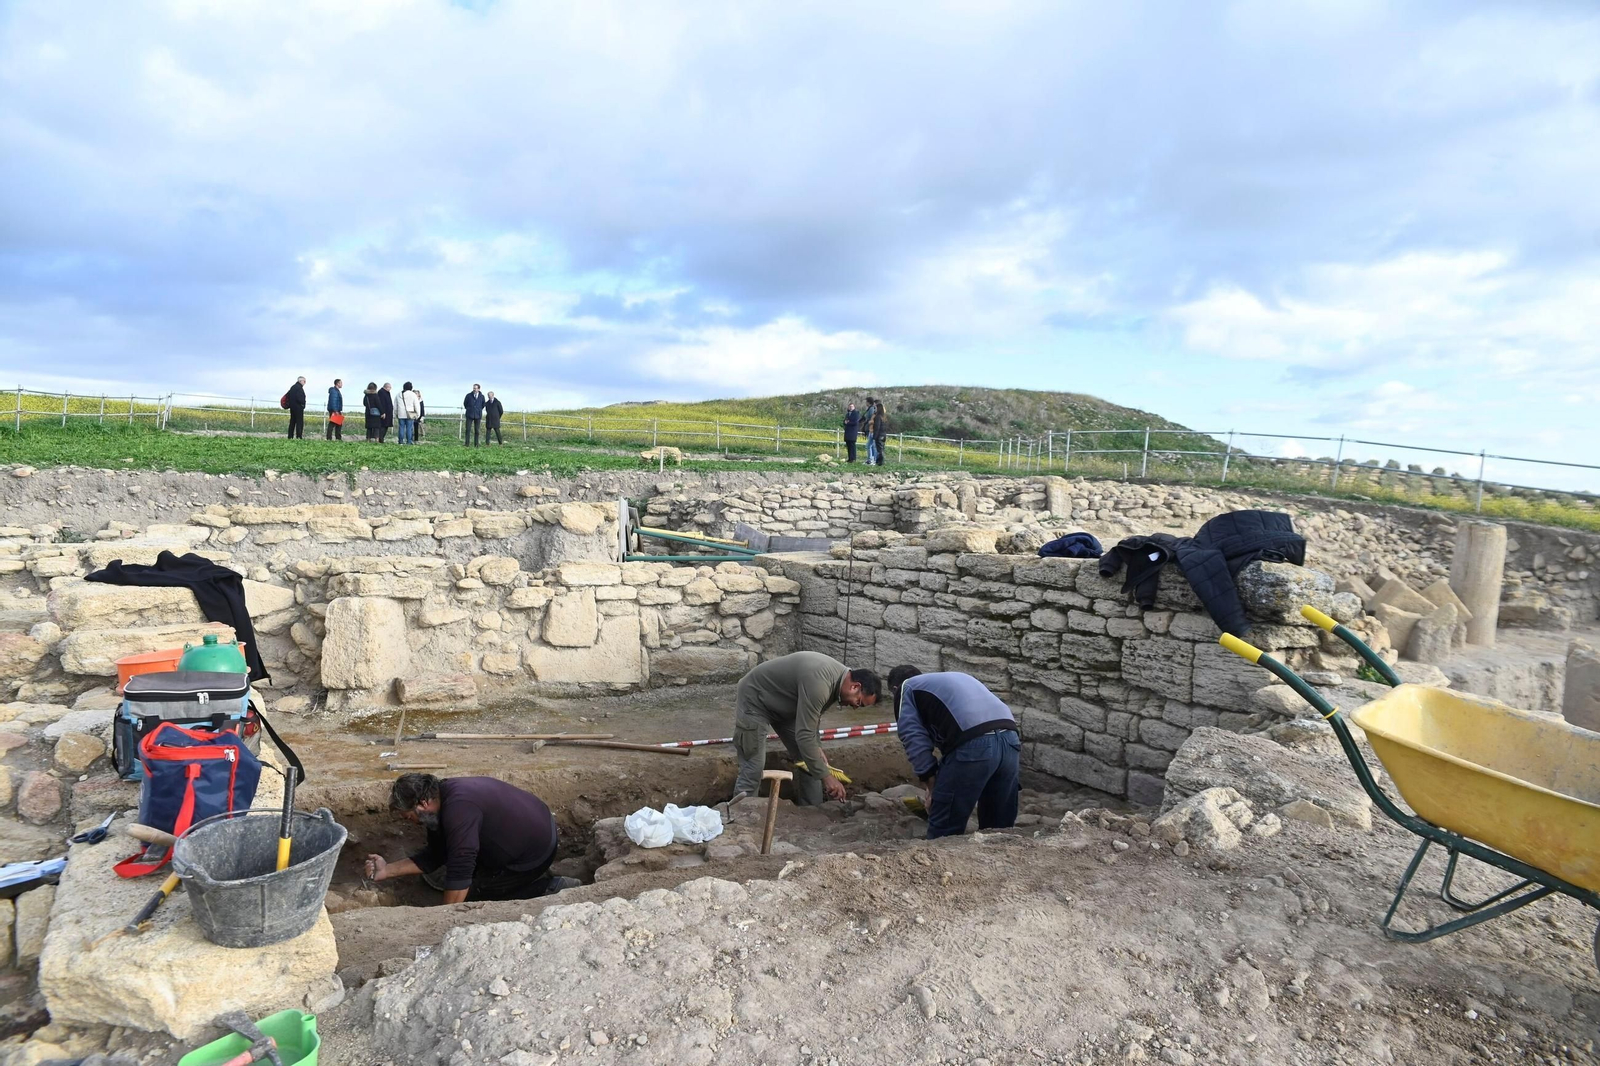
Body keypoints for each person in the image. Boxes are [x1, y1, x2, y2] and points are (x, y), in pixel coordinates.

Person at [362, 774, 579, 903]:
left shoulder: (458, 810)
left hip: (535, 852)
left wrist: (443, 918)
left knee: (474, 898)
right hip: (530, 831)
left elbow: (462, 862)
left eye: (409, 817)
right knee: (454, 878)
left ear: (422, 804)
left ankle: (549, 886)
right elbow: (437, 853)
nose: (411, 822)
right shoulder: (443, 798)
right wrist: (386, 870)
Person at [731, 651, 881, 807]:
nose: (856, 707)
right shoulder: (821, 682)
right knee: (753, 764)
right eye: (859, 702)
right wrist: (828, 777)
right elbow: (804, 735)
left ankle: (812, 811)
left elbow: (813, 721)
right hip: (755, 699)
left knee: (810, 758)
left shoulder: (839, 682)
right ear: (855, 686)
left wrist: (817, 748)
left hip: (786, 705)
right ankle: (741, 815)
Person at [887, 667, 1020, 839]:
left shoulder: (907, 688)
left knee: (945, 828)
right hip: (1010, 740)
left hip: (975, 745)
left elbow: (913, 738)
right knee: (998, 829)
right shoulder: (952, 679)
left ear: (895, 690)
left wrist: (932, 785)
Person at [871, 398, 889, 466]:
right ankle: (881, 461)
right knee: (882, 448)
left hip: (879, 435)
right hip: (883, 434)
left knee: (879, 449)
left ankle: (880, 462)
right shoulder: (884, 417)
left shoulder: (878, 417)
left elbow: (877, 427)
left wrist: (874, 436)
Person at [863, 397, 880, 465]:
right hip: (870, 429)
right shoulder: (870, 409)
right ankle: (871, 459)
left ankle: (872, 459)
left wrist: (868, 422)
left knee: (871, 445)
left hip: (872, 430)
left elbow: (871, 419)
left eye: (866, 401)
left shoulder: (872, 409)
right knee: (870, 445)